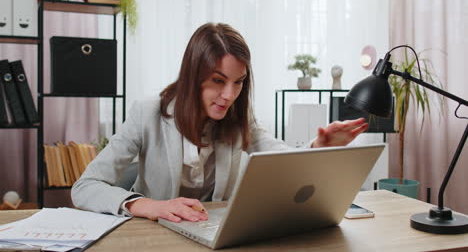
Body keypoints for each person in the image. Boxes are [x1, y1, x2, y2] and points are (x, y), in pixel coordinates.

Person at [71, 22, 368, 223]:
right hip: (155, 238)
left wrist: (318, 147)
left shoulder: (238, 116)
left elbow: (279, 154)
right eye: (218, 81)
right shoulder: (147, 113)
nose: (229, 95)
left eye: (238, 82)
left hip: (213, 236)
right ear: (193, 75)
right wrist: (151, 206)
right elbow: (85, 186)